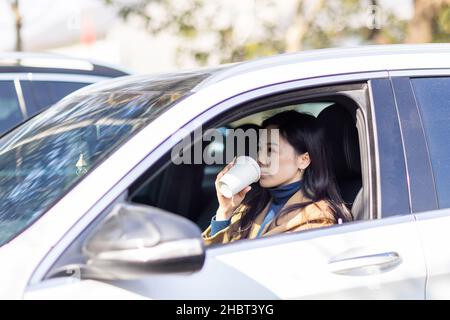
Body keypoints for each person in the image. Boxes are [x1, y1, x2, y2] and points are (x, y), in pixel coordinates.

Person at [202, 110, 353, 246]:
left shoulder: (318, 220)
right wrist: (225, 211)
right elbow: (216, 258)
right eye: (259, 149)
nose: (260, 158)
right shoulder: (252, 203)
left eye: (270, 150)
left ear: (303, 160)